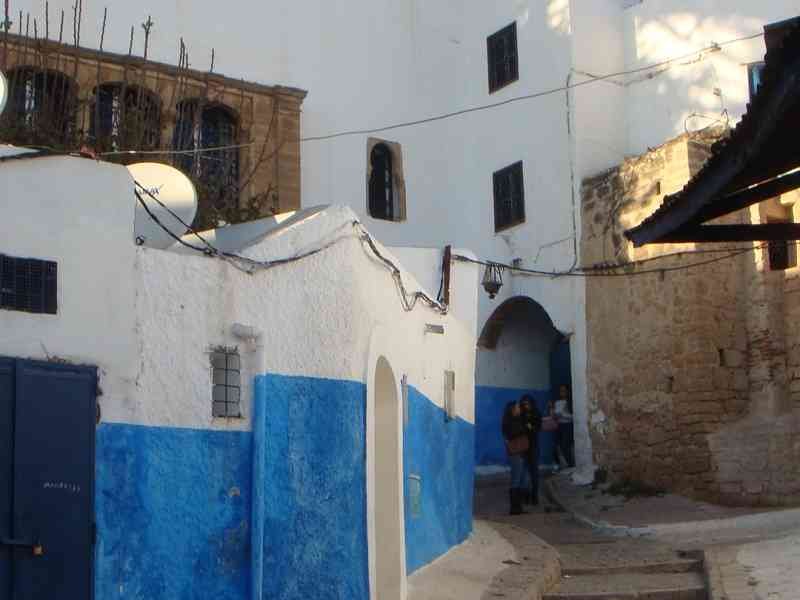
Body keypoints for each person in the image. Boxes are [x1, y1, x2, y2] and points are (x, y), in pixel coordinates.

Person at [501, 399, 530, 515]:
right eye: (517, 407)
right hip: (516, 453)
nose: (519, 409)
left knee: (522, 479)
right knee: (516, 479)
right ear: (512, 410)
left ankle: (519, 507)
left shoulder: (516, 419)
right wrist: (524, 428)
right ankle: (515, 508)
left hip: (520, 452)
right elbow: (513, 433)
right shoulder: (509, 422)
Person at [519, 395, 542, 506]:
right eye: (524, 404)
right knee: (523, 473)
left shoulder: (536, 414)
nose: (526, 406)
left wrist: (530, 427)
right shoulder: (521, 415)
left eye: (528, 403)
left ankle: (534, 496)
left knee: (534, 472)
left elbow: (538, 428)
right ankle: (525, 496)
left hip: (533, 446)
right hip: (522, 446)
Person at [554, 385, 575, 468]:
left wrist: (563, 414)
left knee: (565, 445)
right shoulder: (557, 402)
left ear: (568, 392)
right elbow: (556, 415)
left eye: (564, 390)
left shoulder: (571, 402)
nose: (562, 392)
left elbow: (574, 417)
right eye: (560, 391)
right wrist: (554, 414)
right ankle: (563, 464)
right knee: (558, 446)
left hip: (568, 425)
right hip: (559, 425)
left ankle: (570, 464)